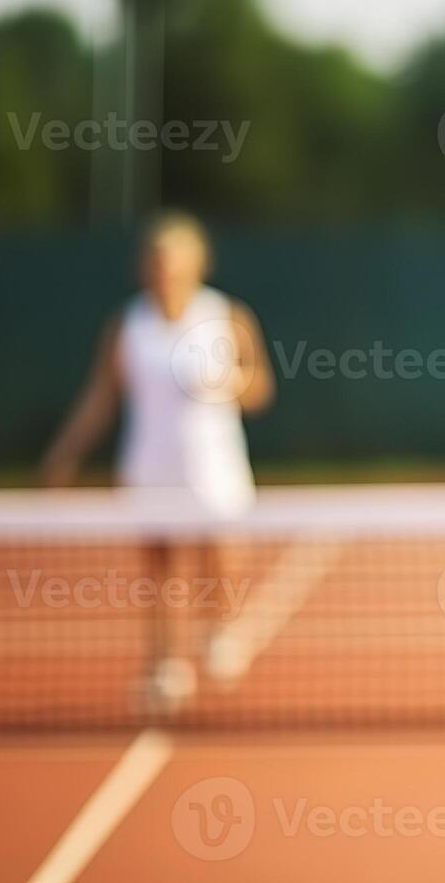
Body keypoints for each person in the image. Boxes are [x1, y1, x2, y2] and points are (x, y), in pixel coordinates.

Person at [41, 210, 274, 713]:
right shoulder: (127, 325)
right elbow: (101, 397)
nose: (163, 268)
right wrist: (65, 454)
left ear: (197, 263)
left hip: (215, 468)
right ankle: (166, 664)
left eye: (173, 259)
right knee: (161, 572)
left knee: (222, 558)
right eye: (155, 259)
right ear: (144, 266)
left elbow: (260, 387)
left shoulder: (227, 315)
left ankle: (221, 625)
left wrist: (230, 383)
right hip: (150, 467)